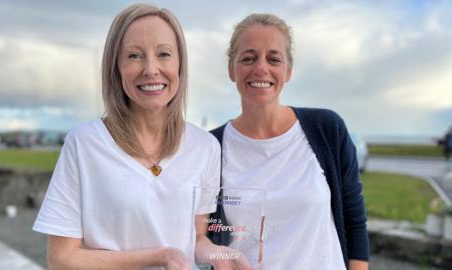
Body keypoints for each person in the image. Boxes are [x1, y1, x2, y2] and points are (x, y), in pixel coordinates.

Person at [33, 4, 221, 270]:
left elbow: (197, 237)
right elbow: (61, 259)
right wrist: (159, 256)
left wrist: (222, 255)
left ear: (180, 64)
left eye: (164, 54)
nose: (151, 69)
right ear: (116, 67)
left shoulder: (206, 147)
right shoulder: (84, 143)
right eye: (134, 56)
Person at [208, 14, 369, 270]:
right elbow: (202, 239)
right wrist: (222, 258)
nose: (261, 68)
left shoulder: (326, 129)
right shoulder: (211, 147)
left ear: (288, 70)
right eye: (249, 58)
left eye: (274, 59)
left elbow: (355, 222)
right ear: (231, 69)